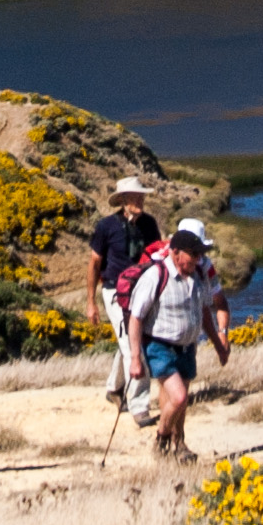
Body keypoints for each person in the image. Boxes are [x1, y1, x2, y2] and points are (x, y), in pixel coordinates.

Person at [125, 218, 230, 465]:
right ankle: (162, 436)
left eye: (199, 254)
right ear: (175, 252)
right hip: (160, 347)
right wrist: (135, 357)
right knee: (180, 397)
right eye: (193, 254)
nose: (197, 259)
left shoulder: (198, 276)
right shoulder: (155, 276)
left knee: (178, 401)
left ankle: (178, 442)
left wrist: (218, 343)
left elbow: (206, 312)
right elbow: (136, 317)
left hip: (187, 347)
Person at [84, 176, 164, 427]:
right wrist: (91, 303)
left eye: (142, 196)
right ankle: (139, 406)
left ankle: (114, 388)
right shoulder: (106, 226)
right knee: (134, 345)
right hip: (114, 293)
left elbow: (156, 256)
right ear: (123, 200)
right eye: (135, 196)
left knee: (128, 342)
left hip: (142, 291)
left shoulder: (149, 225)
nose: (140, 200)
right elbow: (95, 264)